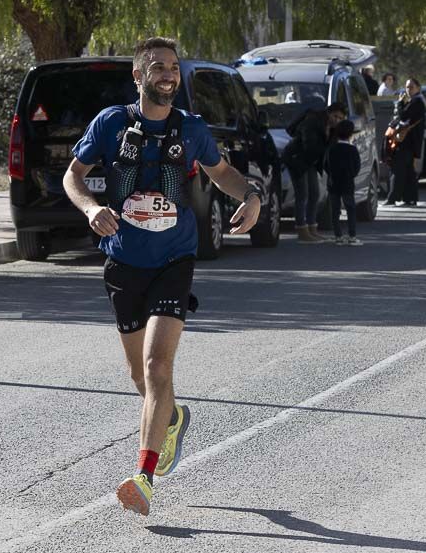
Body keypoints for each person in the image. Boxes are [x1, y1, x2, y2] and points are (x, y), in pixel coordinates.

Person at [62, 37, 262, 516]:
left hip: (175, 258)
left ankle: (144, 477)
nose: (168, 74)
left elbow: (222, 173)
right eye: (157, 67)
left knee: (156, 367)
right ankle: (172, 418)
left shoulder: (190, 129)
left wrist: (251, 197)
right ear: (139, 76)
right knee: (139, 374)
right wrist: (91, 208)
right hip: (124, 261)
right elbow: (72, 175)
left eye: (173, 67)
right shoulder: (111, 123)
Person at [283, 95, 329, 243]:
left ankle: (311, 227)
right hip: (298, 160)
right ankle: (302, 230)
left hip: (308, 161)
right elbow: (309, 145)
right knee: (302, 195)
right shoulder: (311, 122)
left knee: (314, 193)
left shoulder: (319, 122)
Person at [385, 78, 425, 207]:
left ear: (418, 88)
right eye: (407, 87)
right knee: (408, 171)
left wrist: (400, 104)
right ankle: (410, 198)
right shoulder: (415, 101)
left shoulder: (417, 102)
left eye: (411, 87)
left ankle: (393, 197)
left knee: (398, 169)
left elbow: (403, 116)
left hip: (406, 142)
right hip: (409, 142)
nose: (408, 90)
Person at [325, 119, 362, 245]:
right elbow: (357, 167)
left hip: (333, 183)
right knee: (350, 209)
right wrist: (351, 175)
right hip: (347, 183)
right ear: (351, 134)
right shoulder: (352, 150)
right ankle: (352, 236)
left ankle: (338, 236)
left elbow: (326, 165)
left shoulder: (331, 149)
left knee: (335, 210)